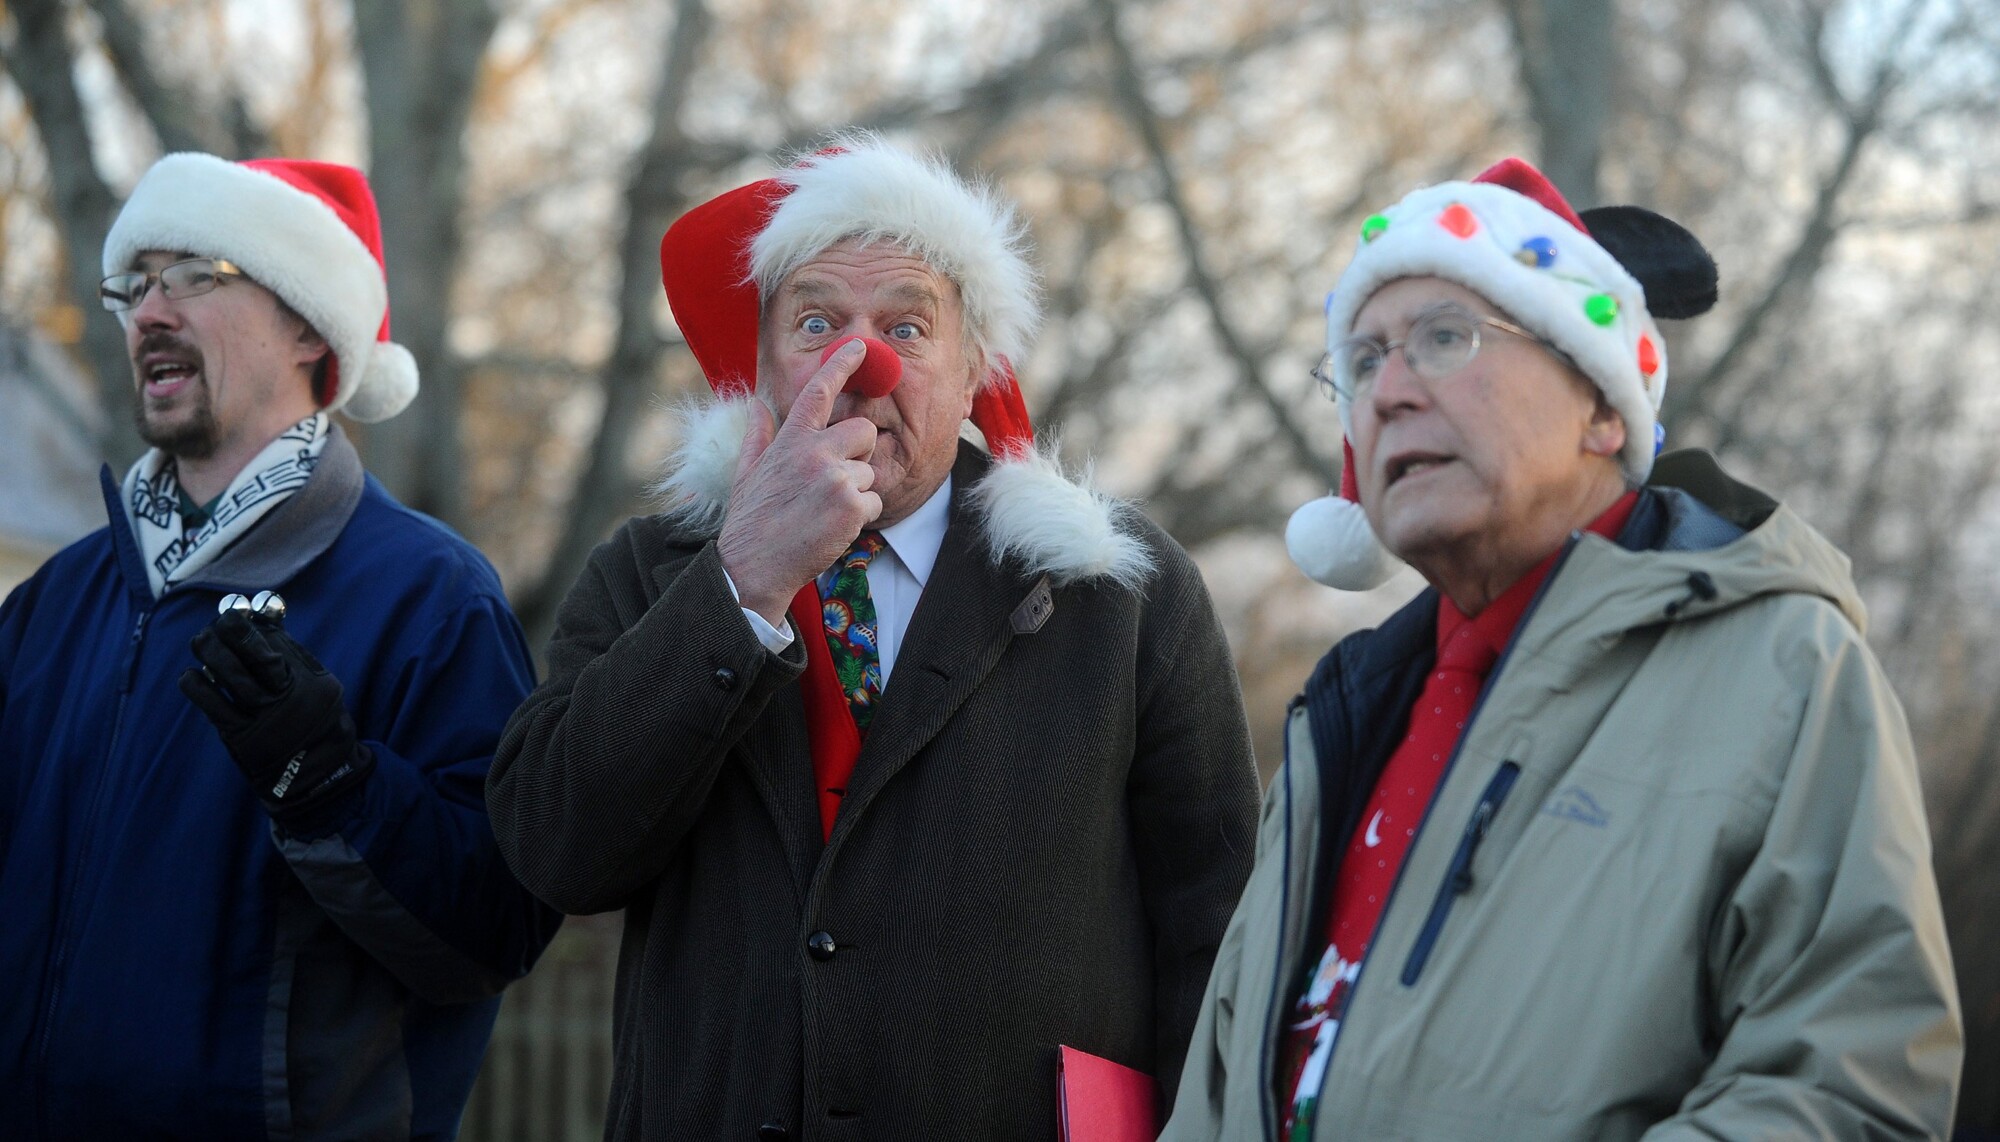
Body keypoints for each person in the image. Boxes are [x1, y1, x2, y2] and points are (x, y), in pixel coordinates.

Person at [1163, 158, 1963, 1141]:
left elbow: (1849, 1089)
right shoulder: (1336, 723)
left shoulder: (1784, 670)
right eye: (1361, 362)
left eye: (1445, 337)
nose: (1388, 392)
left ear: (1602, 406)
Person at [487, 134, 1261, 1140]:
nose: (860, 363)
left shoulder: (1120, 596)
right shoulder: (647, 574)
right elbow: (553, 848)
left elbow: (1218, 933)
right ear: (759, 364)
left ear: (974, 367)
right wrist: (742, 580)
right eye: (816, 323)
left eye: (907, 325)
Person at [0, 153, 562, 1140]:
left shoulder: (431, 596)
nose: (148, 312)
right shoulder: (57, 598)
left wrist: (334, 785)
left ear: (310, 327)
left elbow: (497, 930)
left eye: (193, 275)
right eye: (135, 285)